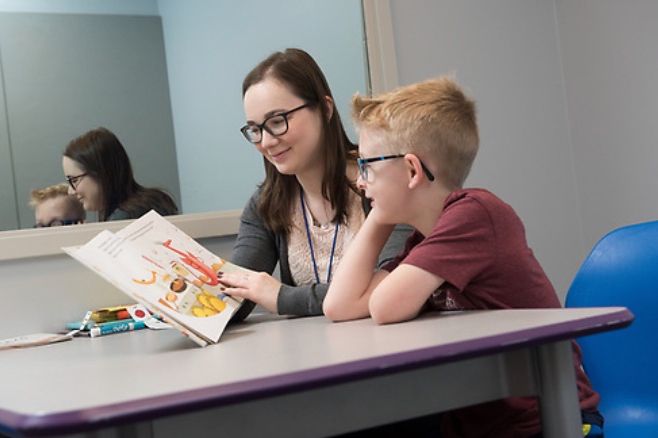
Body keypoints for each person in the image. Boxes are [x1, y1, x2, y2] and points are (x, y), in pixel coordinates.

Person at [323, 77, 603, 437]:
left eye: (367, 167)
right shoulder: (423, 241)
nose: (360, 182)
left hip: (553, 419)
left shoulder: (476, 214)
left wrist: (378, 210)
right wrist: (380, 210)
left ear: (411, 170)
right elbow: (340, 305)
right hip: (481, 423)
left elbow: (384, 306)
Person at [218, 48, 410, 321]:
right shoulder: (266, 203)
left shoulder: (382, 181)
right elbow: (234, 297)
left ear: (325, 108)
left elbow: (393, 284)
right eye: (256, 129)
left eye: (277, 121)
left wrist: (282, 298)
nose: (267, 141)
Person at [62, 127, 178, 221]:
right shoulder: (157, 201)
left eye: (74, 180)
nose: (70, 191)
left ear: (100, 173)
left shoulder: (122, 220)